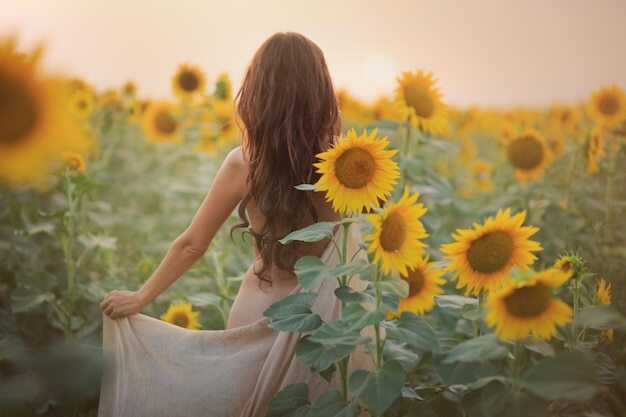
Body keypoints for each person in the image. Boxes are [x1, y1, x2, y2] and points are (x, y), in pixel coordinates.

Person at [97, 32, 372, 417]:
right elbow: (359, 232)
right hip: (323, 317)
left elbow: (192, 244)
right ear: (321, 90)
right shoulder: (347, 166)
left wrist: (141, 298)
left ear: (257, 90)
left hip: (257, 308)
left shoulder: (243, 164)